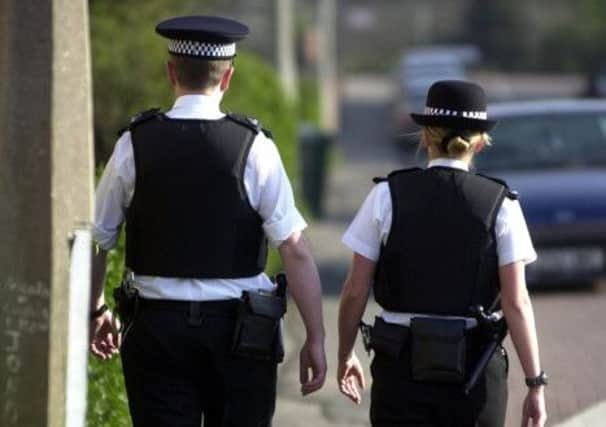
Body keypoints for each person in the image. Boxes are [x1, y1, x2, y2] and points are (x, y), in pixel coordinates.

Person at [88, 15, 326, 427]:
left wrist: (95, 311)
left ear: (170, 72)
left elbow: (97, 239)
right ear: (228, 77)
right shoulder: (255, 148)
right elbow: (294, 250)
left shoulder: (134, 143)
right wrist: (316, 339)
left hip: (155, 328)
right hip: (240, 335)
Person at [336, 80, 547, 427]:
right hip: (475, 372)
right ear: (479, 143)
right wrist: (535, 384)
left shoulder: (386, 195)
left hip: (400, 369)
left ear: (425, 136)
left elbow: (355, 290)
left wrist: (345, 354)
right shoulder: (501, 205)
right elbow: (516, 302)